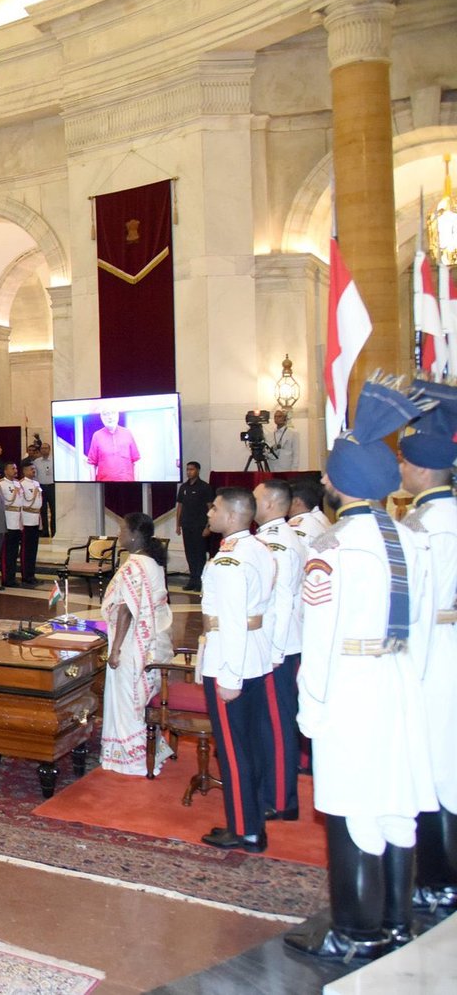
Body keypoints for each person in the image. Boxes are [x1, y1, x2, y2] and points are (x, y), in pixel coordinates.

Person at [287, 379, 437, 959]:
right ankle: (398, 922)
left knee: (353, 808)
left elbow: (320, 642)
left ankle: (355, 933)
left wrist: (312, 709)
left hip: (350, 688)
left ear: (340, 481)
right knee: (397, 804)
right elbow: (423, 626)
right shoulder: (412, 538)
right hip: (400, 680)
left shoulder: (332, 550)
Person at [400, 377, 457, 915]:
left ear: (419, 469)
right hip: (449, 644)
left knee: (434, 764)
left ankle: (439, 877)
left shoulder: (424, 526)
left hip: (431, 654)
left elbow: (414, 606)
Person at [197, 486, 276, 853]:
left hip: (231, 661)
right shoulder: (260, 548)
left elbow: (230, 621)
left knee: (233, 750)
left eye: (214, 508)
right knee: (252, 744)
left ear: (231, 516)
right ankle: (253, 821)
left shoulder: (228, 560)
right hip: (255, 656)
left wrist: (229, 677)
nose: (209, 513)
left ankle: (244, 829)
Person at [99, 512, 172, 776]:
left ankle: (131, 758)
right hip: (151, 639)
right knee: (139, 697)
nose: (119, 535)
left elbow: (126, 609)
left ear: (134, 535)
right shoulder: (153, 562)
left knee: (126, 698)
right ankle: (149, 751)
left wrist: (115, 649)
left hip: (132, 642)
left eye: (122, 530)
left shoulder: (134, 566)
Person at [254, 478, 305, 822]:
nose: (252, 503)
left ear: (271, 504)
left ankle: (281, 799)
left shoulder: (278, 542)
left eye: (256, 498)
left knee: (276, 723)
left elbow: (283, 599)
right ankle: (272, 790)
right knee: (268, 722)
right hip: (276, 645)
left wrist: (274, 651)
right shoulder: (275, 536)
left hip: (278, 647)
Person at [175, 462, 215, 591]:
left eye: (191, 469)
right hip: (187, 525)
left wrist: (208, 526)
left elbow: (210, 508)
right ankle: (192, 579)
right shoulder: (183, 487)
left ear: (198, 470)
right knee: (190, 553)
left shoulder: (205, 487)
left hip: (200, 526)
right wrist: (178, 524)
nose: (189, 472)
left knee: (199, 553)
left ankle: (200, 580)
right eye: (187, 469)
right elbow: (180, 507)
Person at [86, 410, 141, 482]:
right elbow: (92, 464)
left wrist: (136, 484)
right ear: (101, 417)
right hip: (104, 486)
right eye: (106, 414)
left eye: (113, 413)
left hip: (127, 485)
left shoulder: (127, 433)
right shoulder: (97, 436)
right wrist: (93, 485)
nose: (110, 417)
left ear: (117, 415)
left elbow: (136, 461)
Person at [16, 461, 43, 585]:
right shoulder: (21, 484)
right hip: (27, 520)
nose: (33, 471)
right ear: (25, 471)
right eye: (31, 469)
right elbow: (21, 503)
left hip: (35, 519)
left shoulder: (36, 483)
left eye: (34, 469)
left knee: (33, 549)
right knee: (26, 550)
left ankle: (31, 574)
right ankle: (26, 575)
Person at [32, 440, 56, 537]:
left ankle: (54, 531)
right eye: (42, 448)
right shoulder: (36, 462)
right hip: (41, 487)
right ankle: (45, 531)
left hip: (52, 486)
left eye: (46, 448)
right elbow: (34, 476)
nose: (44, 450)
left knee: (54, 509)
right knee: (43, 510)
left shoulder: (54, 460)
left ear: (49, 450)